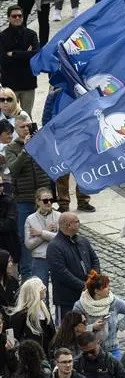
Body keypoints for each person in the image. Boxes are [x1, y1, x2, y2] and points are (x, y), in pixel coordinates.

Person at [7, 113, 51, 279]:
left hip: (44, 198)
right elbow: (13, 169)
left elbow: (52, 162)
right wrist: (26, 150)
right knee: (27, 238)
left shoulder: (41, 144)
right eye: (22, 127)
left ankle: (46, 271)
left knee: (48, 235)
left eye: (28, 126)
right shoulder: (12, 148)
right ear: (16, 129)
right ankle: (26, 277)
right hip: (24, 199)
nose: (26, 129)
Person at [45, 213, 101, 324]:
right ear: (68, 225)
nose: (79, 223)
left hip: (87, 297)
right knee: (67, 330)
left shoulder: (83, 241)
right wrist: (83, 285)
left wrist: (94, 278)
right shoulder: (54, 247)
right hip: (67, 299)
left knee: (88, 328)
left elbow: (94, 260)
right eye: (77, 221)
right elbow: (61, 272)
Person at [73, 271, 125, 359]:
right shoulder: (80, 305)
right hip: (88, 350)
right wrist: (92, 327)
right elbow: (74, 329)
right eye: (106, 287)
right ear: (97, 291)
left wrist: (118, 326)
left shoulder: (113, 301)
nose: (109, 289)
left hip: (112, 348)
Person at [0, 5, 39, 115]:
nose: (17, 18)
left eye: (19, 16)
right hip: (10, 84)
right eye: (14, 16)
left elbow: (35, 54)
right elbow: (3, 59)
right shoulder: (2, 36)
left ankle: (30, 133)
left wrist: (13, 54)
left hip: (28, 83)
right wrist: (25, 54)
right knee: (9, 116)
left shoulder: (31, 35)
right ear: (9, 18)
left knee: (27, 116)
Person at [24, 187, 59, 294]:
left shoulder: (59, 216)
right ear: (37, 201)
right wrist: (47, 232)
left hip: (57, 258)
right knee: (40, 293)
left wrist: (41, 233)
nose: (49, 203)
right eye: (45, 200)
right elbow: (29, 245)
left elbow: (60, 239)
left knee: (60, 291)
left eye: (51, 200)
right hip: (39, 259)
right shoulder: (30, 219)